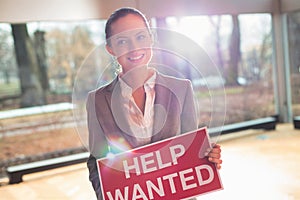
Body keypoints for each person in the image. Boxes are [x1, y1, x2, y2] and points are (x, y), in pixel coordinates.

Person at [86, 7, 222, 200]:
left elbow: (191, 151)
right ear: (110, 48)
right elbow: (96, 161)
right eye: (123, 41)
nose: (134, 47)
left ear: (151, 38)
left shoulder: (182, 89)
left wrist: (207, 157)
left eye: (140, 37)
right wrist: (107, 195)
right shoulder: (97, 100)